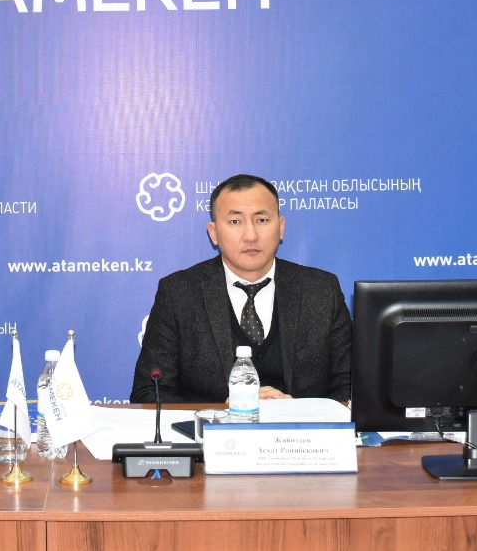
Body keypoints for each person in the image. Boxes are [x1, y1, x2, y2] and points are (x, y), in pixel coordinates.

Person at [131, 173, 352, 404]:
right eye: (235, 222)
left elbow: (349, 386)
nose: (251, 236)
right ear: (214, 233)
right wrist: (223, 413)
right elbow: (149, 393)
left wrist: (296, 413)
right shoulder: (179, 293)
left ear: (281, 227)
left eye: (262, 220)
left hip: (302, 427)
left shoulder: (321, 290)